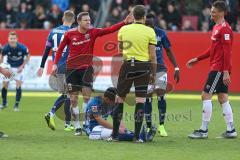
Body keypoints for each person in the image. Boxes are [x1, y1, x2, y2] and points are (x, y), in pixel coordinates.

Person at [52, 11, 133, 136]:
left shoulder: (93, 32)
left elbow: (109, 29)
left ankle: (85, 123)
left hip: (87, 69)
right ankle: (77, 126)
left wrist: (124, 22)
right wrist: (55, 64)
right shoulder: (69, 34)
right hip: (72, 69)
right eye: (85, 20)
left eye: (89, 20)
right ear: (79, 22)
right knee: (73, 99)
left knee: (86, 97)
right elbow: (60, 49)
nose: (88, 22)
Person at [187, 1, 237, 139]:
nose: (211, 13)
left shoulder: (225, 29)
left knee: (205, 95)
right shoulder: (216, 27)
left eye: (214, 11)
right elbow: (213, 49)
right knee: (222, 98)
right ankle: (231, 130)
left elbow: (227, 52)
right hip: (219, 68)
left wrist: (226, 71)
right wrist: (198, 58)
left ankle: (203, 131)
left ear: (221, 13)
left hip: (219, 68)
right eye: (211, 11)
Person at [110, 5, 157, 143]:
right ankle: (137, 137)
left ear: (132, 15)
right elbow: (152, 55)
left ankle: (114, 136)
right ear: (144, 17)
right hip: (143, 66)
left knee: (119, 99)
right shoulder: (150, 31)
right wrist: (153, 74)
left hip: (127, 65)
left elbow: (120, 49)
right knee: (140, 101)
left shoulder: (123, 29)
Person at [37, 10, 75, 131]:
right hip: (68, 66)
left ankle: (67, 124)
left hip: (57, 66)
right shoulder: (72, 32)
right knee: (68, 94)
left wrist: (42, 66)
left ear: (63, 18)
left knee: (67, 94)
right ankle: (51, 113)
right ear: (73, 20)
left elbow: (47, 50)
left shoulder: (53, 31)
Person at [144, 13, 180, 137]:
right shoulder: (141, 34)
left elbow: (169, 51)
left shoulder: (161, 33)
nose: (148, 26)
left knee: (161, 96)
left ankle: (161, 125)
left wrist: (176, 67)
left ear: (154, 24)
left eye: (150, 24)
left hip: (160, 69)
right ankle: (149, 127)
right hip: (146, 70)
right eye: (146, 24)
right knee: (147, 98)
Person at [86, 87, 153, 141]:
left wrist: (123, 128)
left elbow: (117, 117)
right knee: (114, 133)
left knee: (123, 131)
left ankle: (140, 135)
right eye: (113, 102)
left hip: (103, 128)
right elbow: (100, 121)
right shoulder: (93, 104)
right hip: (93, 130)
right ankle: (141, 136)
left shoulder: (109, 103)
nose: (114, 104)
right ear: (106, 99)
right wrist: (117, 129)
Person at [0, 31, 30, 111]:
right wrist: (2, 65)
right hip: (9, 68)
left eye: (14, 38)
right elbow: (2, 56)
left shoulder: (22, 48)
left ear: (17, 39)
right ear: (8, 39)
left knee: (18, 84)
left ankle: (16, 105)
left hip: (19, 68)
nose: (12, 40)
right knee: (5, 84)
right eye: (11, 38)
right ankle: (4, 103)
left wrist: (22, 66)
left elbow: (28, 56)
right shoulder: (5, 48)